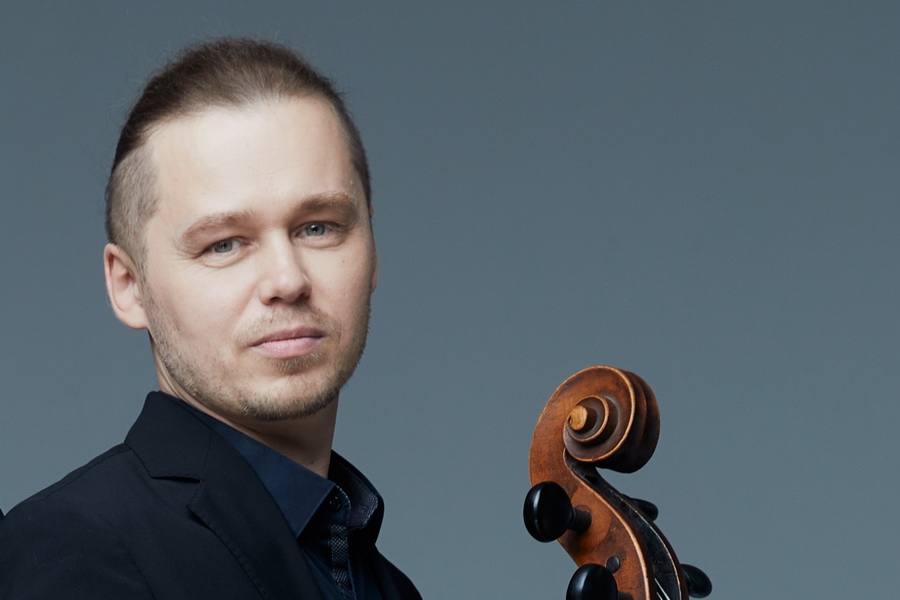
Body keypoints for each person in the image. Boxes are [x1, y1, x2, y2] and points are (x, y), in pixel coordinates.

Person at [0, 38, 421, 600]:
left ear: (372, 246)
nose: (287, 279)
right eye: (224, 244)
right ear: (129, 287)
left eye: (318, 227)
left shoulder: (387, 587)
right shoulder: (73, 549)